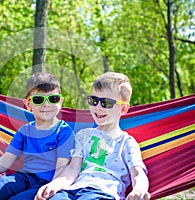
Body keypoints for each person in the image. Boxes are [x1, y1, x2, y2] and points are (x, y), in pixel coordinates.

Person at [35, 72, 150, 200]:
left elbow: (137, 174)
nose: (98, 107)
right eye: (94, 101)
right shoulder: (83, 136)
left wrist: (139, 189)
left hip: (102, 192)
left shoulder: (126, 142)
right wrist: (54, 185)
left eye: (106, 103)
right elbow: (73, 168)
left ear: (123, 109)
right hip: (72, 190)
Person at [0, 72, 75, 200]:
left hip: (47, 182)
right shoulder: (25, 130)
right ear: (28, 105)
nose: (46, 104)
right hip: (24, 177)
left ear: (60, 102)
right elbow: (6, 160)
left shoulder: (63, 131)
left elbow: (62, 167)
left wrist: (51, 189)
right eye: (38, 100)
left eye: (53, 99)